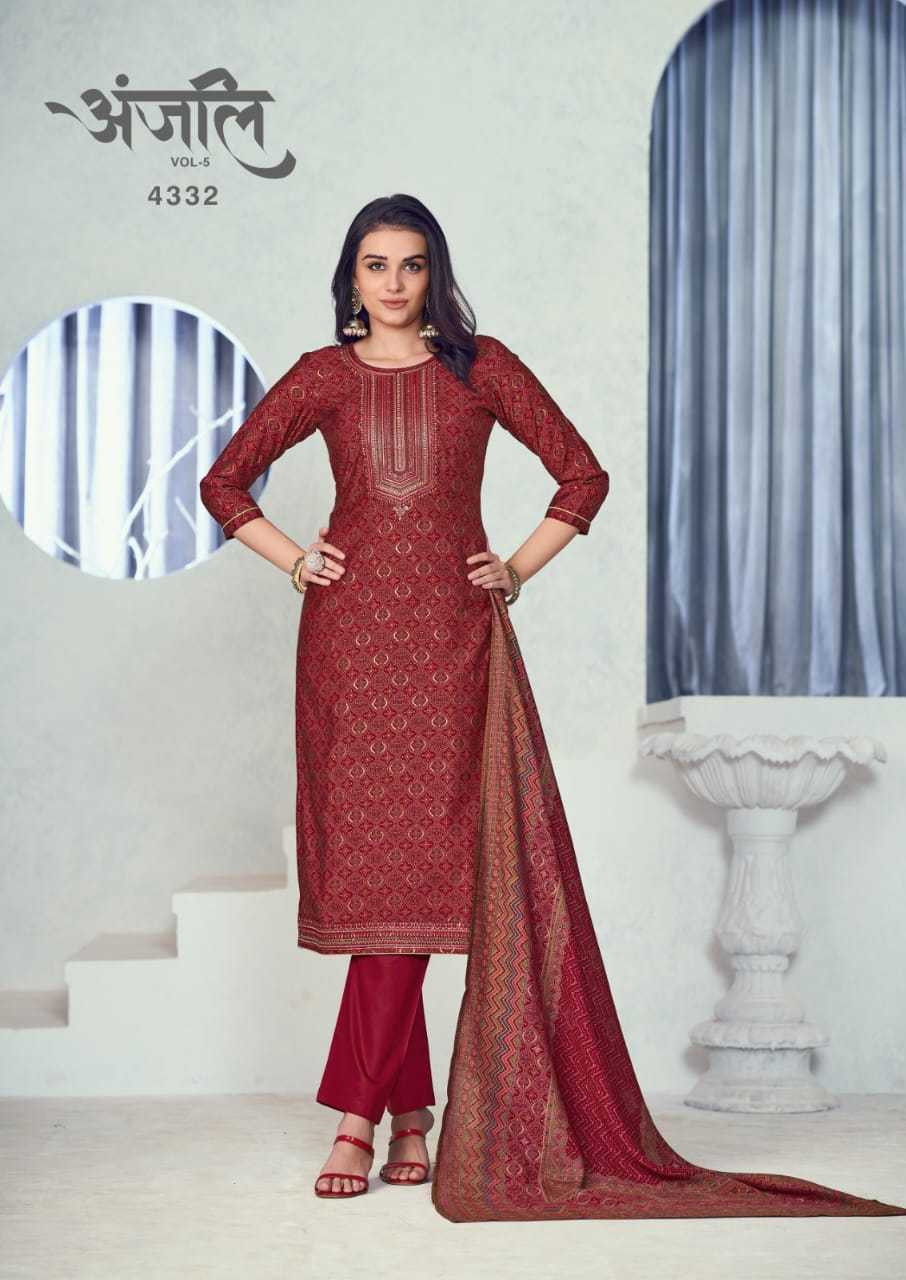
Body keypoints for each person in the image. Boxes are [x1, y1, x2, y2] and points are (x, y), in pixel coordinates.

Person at [200, 194, 905, 1221]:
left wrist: (517, 567)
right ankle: (408, 1115)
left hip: (453, 647)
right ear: (351, 276)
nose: (393, 283)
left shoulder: (480, 369)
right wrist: (298, 561)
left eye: (410, 264)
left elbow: (582, 475)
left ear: (434, 273)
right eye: (375, 264)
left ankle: (357, 1116)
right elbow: (225, 483)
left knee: (421, 878)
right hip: (350, 657)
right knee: (381, 888)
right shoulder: (323, 377)